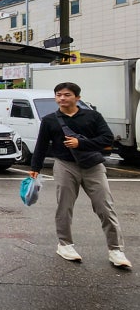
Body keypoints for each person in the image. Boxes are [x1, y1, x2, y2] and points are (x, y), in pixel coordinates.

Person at [29, 82, 131, 269]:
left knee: (105, 207)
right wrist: (34, 168)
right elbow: (42, 145)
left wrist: (80, 143)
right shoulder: (50, 120)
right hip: (65, 166)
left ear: (77, 97)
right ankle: (65, 244)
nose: (61, 98)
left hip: (93, 166)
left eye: (66, 95)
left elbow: (107, 139)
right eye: (58, 95)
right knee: (64, 207)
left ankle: (116, 249)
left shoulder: (92, 116)